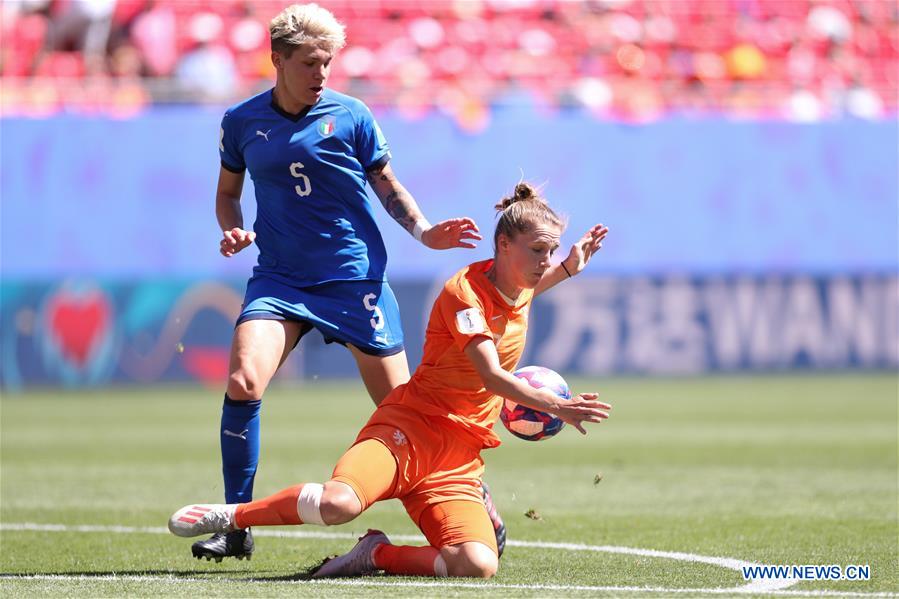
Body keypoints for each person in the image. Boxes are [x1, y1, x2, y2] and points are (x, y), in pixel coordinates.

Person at [170, 183, 612, 578]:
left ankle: (375, 555)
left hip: (457, 460)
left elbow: (528, 291)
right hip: (408, 429)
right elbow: (492, 376)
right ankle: (232, 517)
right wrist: (557, 406)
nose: (545, 261)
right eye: (538, 251)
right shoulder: (464, 293)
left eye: (551, 251)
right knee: (337, 504)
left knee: (476, 564)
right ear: (503, 244)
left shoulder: (519, 287)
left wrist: (570, 267)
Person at [197, 3, 485, 562]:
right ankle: (236, 524)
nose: (321, 74)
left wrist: (424, 233)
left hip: (355, 281)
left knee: (408, 410)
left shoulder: (351, 115)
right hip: (280, 280)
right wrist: (232, 230)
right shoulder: (241, 122)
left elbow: (388, 185)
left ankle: (474, 503)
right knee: (241, 380)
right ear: (277, 60)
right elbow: (228, 194)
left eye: (327, 62)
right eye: (309, 63)